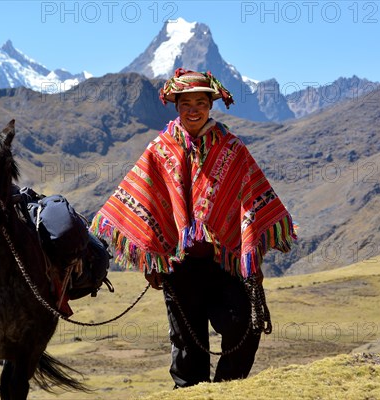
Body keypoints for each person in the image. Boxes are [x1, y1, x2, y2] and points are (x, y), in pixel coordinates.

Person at [90, 68, 297, 388]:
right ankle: (189, 393)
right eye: (186, 103)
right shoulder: (160, 150)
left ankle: (228, 389)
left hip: (224, 263)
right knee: (188, 348)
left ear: (211, 105)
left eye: (201, 102)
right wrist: (151, 259)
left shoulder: (231, 148)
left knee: (244, 325)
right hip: (179, 265)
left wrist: (251, 260)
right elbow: (144, 201)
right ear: (176, 106)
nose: (194, 110)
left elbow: (251, 197)